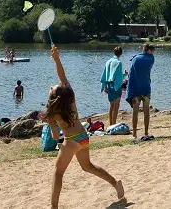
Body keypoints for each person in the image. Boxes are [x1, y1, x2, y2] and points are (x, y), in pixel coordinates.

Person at [43, 46, 124, 208]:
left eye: (53, 87)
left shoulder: (52, 113)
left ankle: (54, 207)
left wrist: (52, 124)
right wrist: (57, 59)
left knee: (58, 173)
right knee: (88, 167)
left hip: (71, 140)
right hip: (83, 137)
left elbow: (53, 137)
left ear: (54, 97)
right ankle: (115, 183)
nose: (52, 86)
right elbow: (63, 77)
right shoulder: (70, 99)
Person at [126, 44, 155, 140]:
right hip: (146, 89)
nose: (153, 53)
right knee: (146, 111)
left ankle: (134, 134)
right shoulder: (151, 59)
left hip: (135, 90)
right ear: (149, 51)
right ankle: (146, 132)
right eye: (153, 51)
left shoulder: (135, 58)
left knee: (135, 111)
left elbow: (131, 72)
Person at [100, 47, 124, 127]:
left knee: (111, 105)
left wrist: (105, 86)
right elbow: (119, 77)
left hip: (109, 85)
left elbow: (105, 75)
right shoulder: (118, 63)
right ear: (121, 53)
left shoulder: (108, 62)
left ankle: (110, 124)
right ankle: (114, 124)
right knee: (116, 105)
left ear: (114, 52)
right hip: (115, 85)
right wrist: (125, 75)